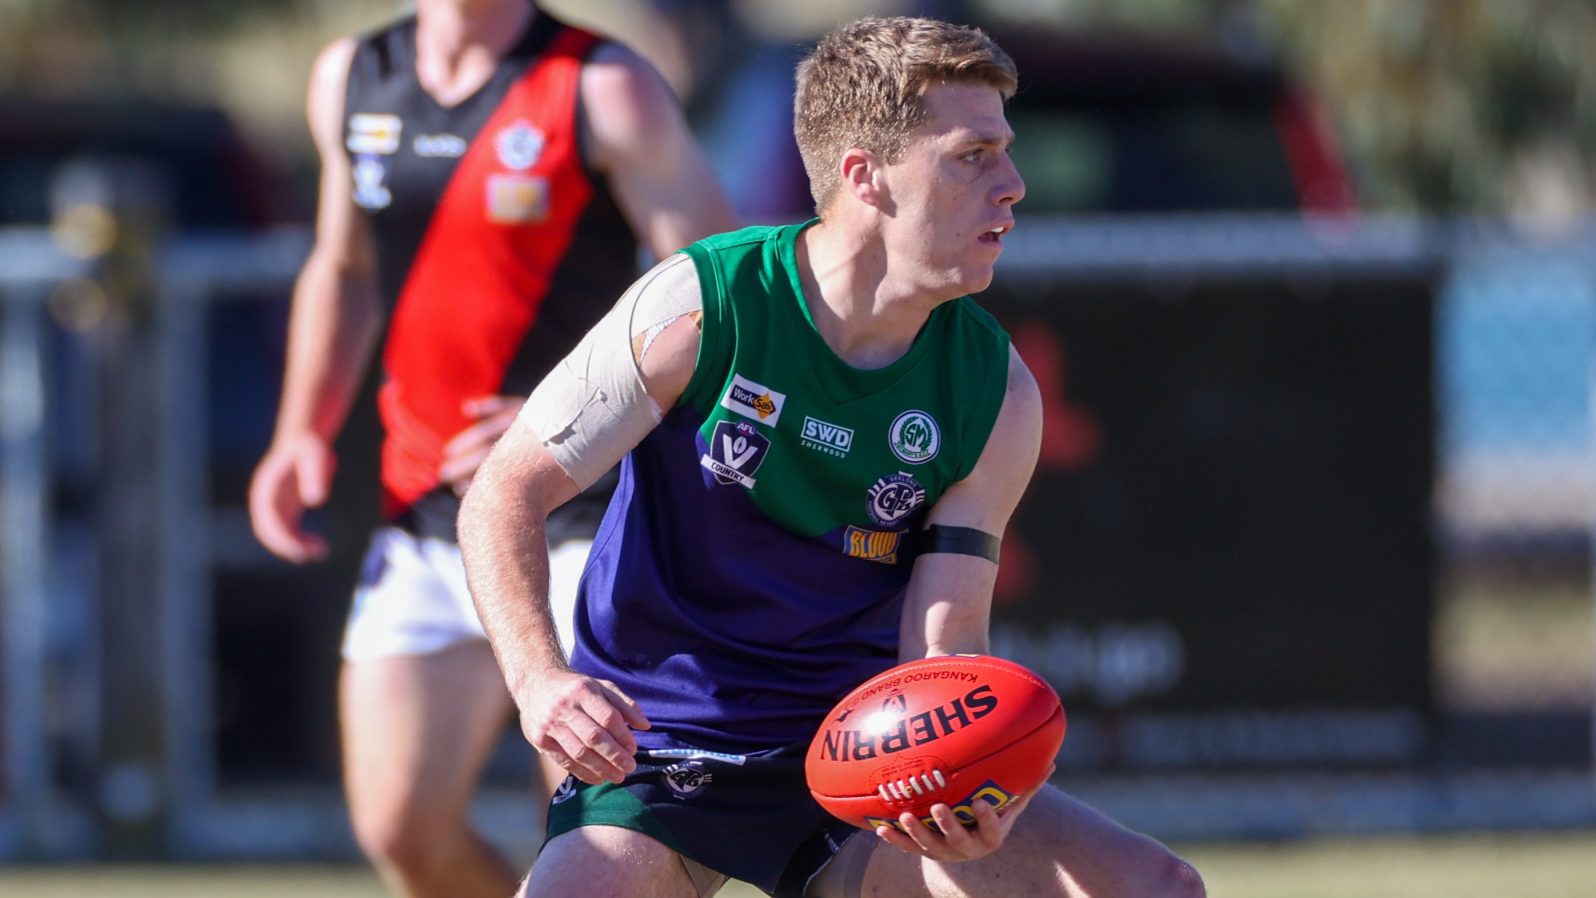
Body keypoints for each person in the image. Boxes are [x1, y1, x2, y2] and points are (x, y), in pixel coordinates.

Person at [459, 15, 1206, 898]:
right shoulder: (702, 307)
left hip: (863, 752)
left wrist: (965, 781)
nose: (1013, 185)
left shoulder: (993, 390)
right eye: (973, 156)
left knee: (1156, 888)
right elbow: (502, 495)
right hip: (659, 750)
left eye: (1005, 152)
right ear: (865, 175)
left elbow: (943, 646)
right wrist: (540, 680)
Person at [245, 1, 736, 895]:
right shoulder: (351, 76)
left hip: (583, 524)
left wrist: (570, 412)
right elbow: (344, 268)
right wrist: (299, 433)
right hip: (426, 514)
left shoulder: (603, 86)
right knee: (400, 826)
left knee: (594, 836)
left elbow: (722, 297)